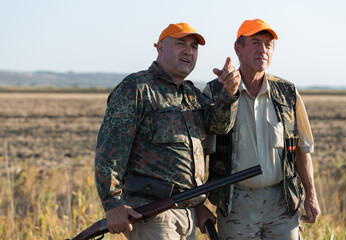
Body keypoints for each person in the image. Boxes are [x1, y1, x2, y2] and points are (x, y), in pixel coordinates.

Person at [94, 22, 241, 240]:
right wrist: (112, 204)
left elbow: (218, 126)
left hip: (188, 213)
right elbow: (109, 152)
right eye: (180, 43)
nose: (188, 51)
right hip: (152, 213)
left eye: (193, 46)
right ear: (160, 48)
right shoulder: (136, 88)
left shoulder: (191, 94)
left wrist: (229, 93)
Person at [196, 19, 321, 239]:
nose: (262, 49)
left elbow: (302, 149)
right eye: (255, 42)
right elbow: (198, 154)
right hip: (236, 202)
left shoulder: (288, 92)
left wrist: (311, 195)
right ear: (238, 48)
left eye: (268, 44)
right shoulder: (215, 92)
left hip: (282, 201)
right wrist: (197, 204)